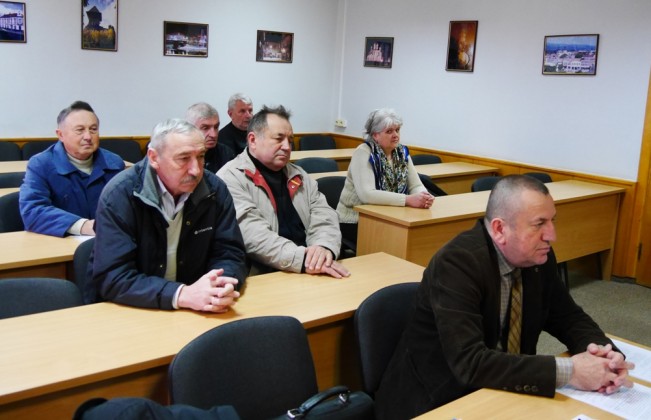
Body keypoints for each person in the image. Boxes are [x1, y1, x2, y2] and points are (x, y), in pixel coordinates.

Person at [374, 175, 635, 419]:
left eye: (552, 220)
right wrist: (571, 371)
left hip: (507, 386)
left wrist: (605, 355)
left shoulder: (538, 256)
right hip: (438, 399)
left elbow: (568, 317)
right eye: (539, 224)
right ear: (499, 229)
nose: (552, 235)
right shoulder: (456, 264)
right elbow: (470, 363)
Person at [86, 118, 247, 312]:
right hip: (131, 308)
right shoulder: (120, 195)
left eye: (201, 156)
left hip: (196, 306)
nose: (196, 170)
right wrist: (181, 294)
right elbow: (113, 276)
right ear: (154, 158)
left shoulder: (215, 189)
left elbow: (230, 252)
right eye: (183, 158)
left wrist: (222, 285)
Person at [218, 105, 349, 278]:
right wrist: (304, 259)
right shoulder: (230, 178)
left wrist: (323, 247)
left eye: (290, 140)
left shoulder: (299, 174)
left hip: (312, 266)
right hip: (265, 273)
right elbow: (253, 235)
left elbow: (324, 214)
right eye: (279, 139)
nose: (287, 147)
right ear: (253, 140)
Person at [19, 101, 125, 237]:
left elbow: (126, 207)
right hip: (60, 241)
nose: (88, 137)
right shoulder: (41, 164)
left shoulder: (114, 163)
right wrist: (83, 226)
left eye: (93, 129)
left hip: (109, 240)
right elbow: (32, 211)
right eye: (80, 130)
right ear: (60, 135)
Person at [337, 108, 434, 248]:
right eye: (389, 131)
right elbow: (367, 195)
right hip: (355, 219)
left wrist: (424, 196)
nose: (396, 135)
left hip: (390, 215)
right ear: (375, 135)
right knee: (396, 242)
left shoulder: (401, 152)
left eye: (397, 130)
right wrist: (407, 200)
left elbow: (415, 185)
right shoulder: (364, 152)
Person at [185, 102, 235, 173]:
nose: (213, 135)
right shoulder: (179, 154)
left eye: (216, 127)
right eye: (205, 128)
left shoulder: (226, 154)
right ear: (190, 129)